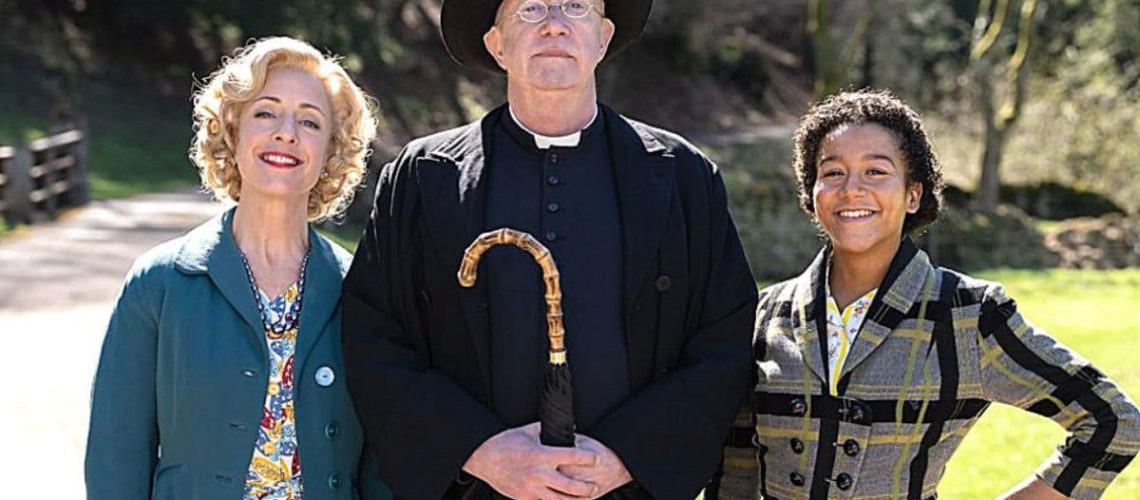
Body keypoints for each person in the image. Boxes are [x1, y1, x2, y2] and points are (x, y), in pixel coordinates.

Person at [341, 0, 758, 498]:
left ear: (603, 38)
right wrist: (480, 451)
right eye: (531, 8)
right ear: (497, 45)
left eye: (576, 6)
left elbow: (725, 338)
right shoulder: (422, 177)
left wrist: (627, 456)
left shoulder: (683, 175)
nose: (555, 25)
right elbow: (374, 335)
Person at [719, 89, 1140, 499]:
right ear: (812, 194)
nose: (851, 189)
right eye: (832, 173)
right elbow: (735, 471)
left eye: (875, 171)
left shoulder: (968, 315)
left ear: (913, 194)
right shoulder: (766, 315)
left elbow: (1113, 422)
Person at [85, 36, 390, 499]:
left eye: (310, 121)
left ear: (332, 151)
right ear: (232, 130)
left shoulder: (362, 292)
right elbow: (116, 458)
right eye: (265, 113)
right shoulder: (159, 284)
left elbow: (382, 467)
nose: (286, 133)